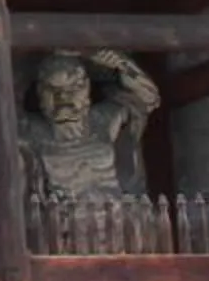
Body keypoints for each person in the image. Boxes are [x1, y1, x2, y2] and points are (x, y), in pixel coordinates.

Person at [18, 47, 160, 199]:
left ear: (86, 88)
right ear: (40, 91)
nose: (63, 97)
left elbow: (147, 100)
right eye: (53, 90)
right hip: (61, 216)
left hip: (115, 211)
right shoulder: (31, 130)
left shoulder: (102, 119)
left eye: (73, 88)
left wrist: (122, 63)